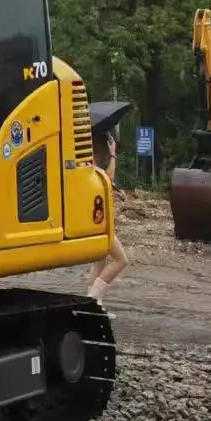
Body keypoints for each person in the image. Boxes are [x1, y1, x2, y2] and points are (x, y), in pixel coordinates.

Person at [88, 126, 128, 303]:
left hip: (97, 221)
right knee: (121, 260)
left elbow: (105, 183)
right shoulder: (91, 164)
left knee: (100, 261)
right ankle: (93, 298)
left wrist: (116, 191)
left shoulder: (90, 165)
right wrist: (113, 155)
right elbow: (108, 177)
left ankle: (93, 303)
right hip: (100, 224)